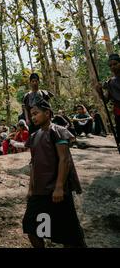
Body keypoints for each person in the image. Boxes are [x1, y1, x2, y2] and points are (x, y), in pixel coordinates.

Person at [16, 99, 86, 248]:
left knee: (69, 235)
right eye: (31, 115)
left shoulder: (58, 131)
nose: (33, 117)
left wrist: (59, 186)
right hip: (40, 191)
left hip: (57, 192)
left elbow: (64, 160)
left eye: (36, 113)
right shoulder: (34, 137)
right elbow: (33, 164)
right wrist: (30, 188)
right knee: (32, 227)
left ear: (47, 113)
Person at [96, 53, 120, 141]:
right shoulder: (110, 82)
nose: (113, 67)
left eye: (115, 64)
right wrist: (99, 91)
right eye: (110, 65)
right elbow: (106, 100)